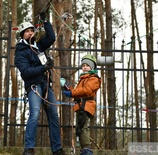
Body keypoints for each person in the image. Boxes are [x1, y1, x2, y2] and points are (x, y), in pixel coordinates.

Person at [14, 12, 66, 155]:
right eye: (27, 31)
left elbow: (51, 37)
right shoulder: (21, 52)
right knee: (35, 113)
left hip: (46, 84)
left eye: (31, 30)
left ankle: (57, 149)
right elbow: (25, 72)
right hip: (34, 86)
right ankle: (29, 148)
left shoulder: (39, 46)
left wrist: (45, 21)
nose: (30, 33)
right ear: (22, 35)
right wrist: (43, 68)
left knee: (54, 115)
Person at [61, 54, 101, 155]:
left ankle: (87, 149)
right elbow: (78, 91)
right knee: (80, 127)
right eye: (83, 65)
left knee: (83, 127)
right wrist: (68, 88)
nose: (85, 67)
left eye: (87, 65)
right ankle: (83, 148)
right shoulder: (83, 78)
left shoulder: (94, 79)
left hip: (86, 106)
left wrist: (72, 93)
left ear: (92, 67)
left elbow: (86, 91)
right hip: (80, 106)